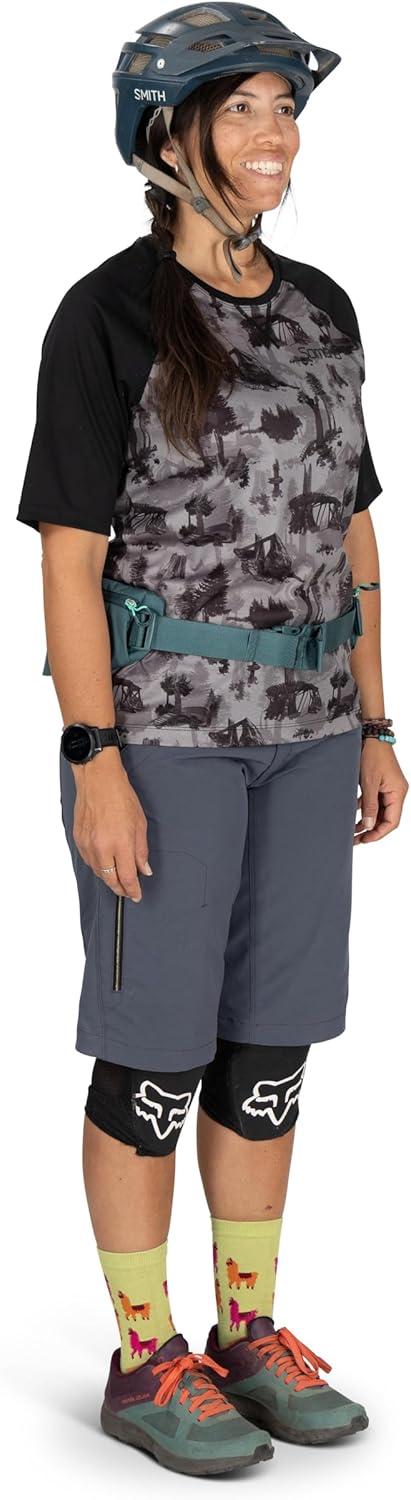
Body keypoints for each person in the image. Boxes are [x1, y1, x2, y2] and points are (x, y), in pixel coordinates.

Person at [16, 4, 408, 1480]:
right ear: (168, 135)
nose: (274, 135)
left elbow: (353, 527)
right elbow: (68, 559)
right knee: (156, 1053)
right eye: (241, 109)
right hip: (167, 738)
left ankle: (246, 1330)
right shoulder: (107, 315)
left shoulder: (323, 308)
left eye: (284, 109)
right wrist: (92, 757)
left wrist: (374, 718)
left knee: (269, 1047)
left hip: (310, 736)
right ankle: (144, 1357)